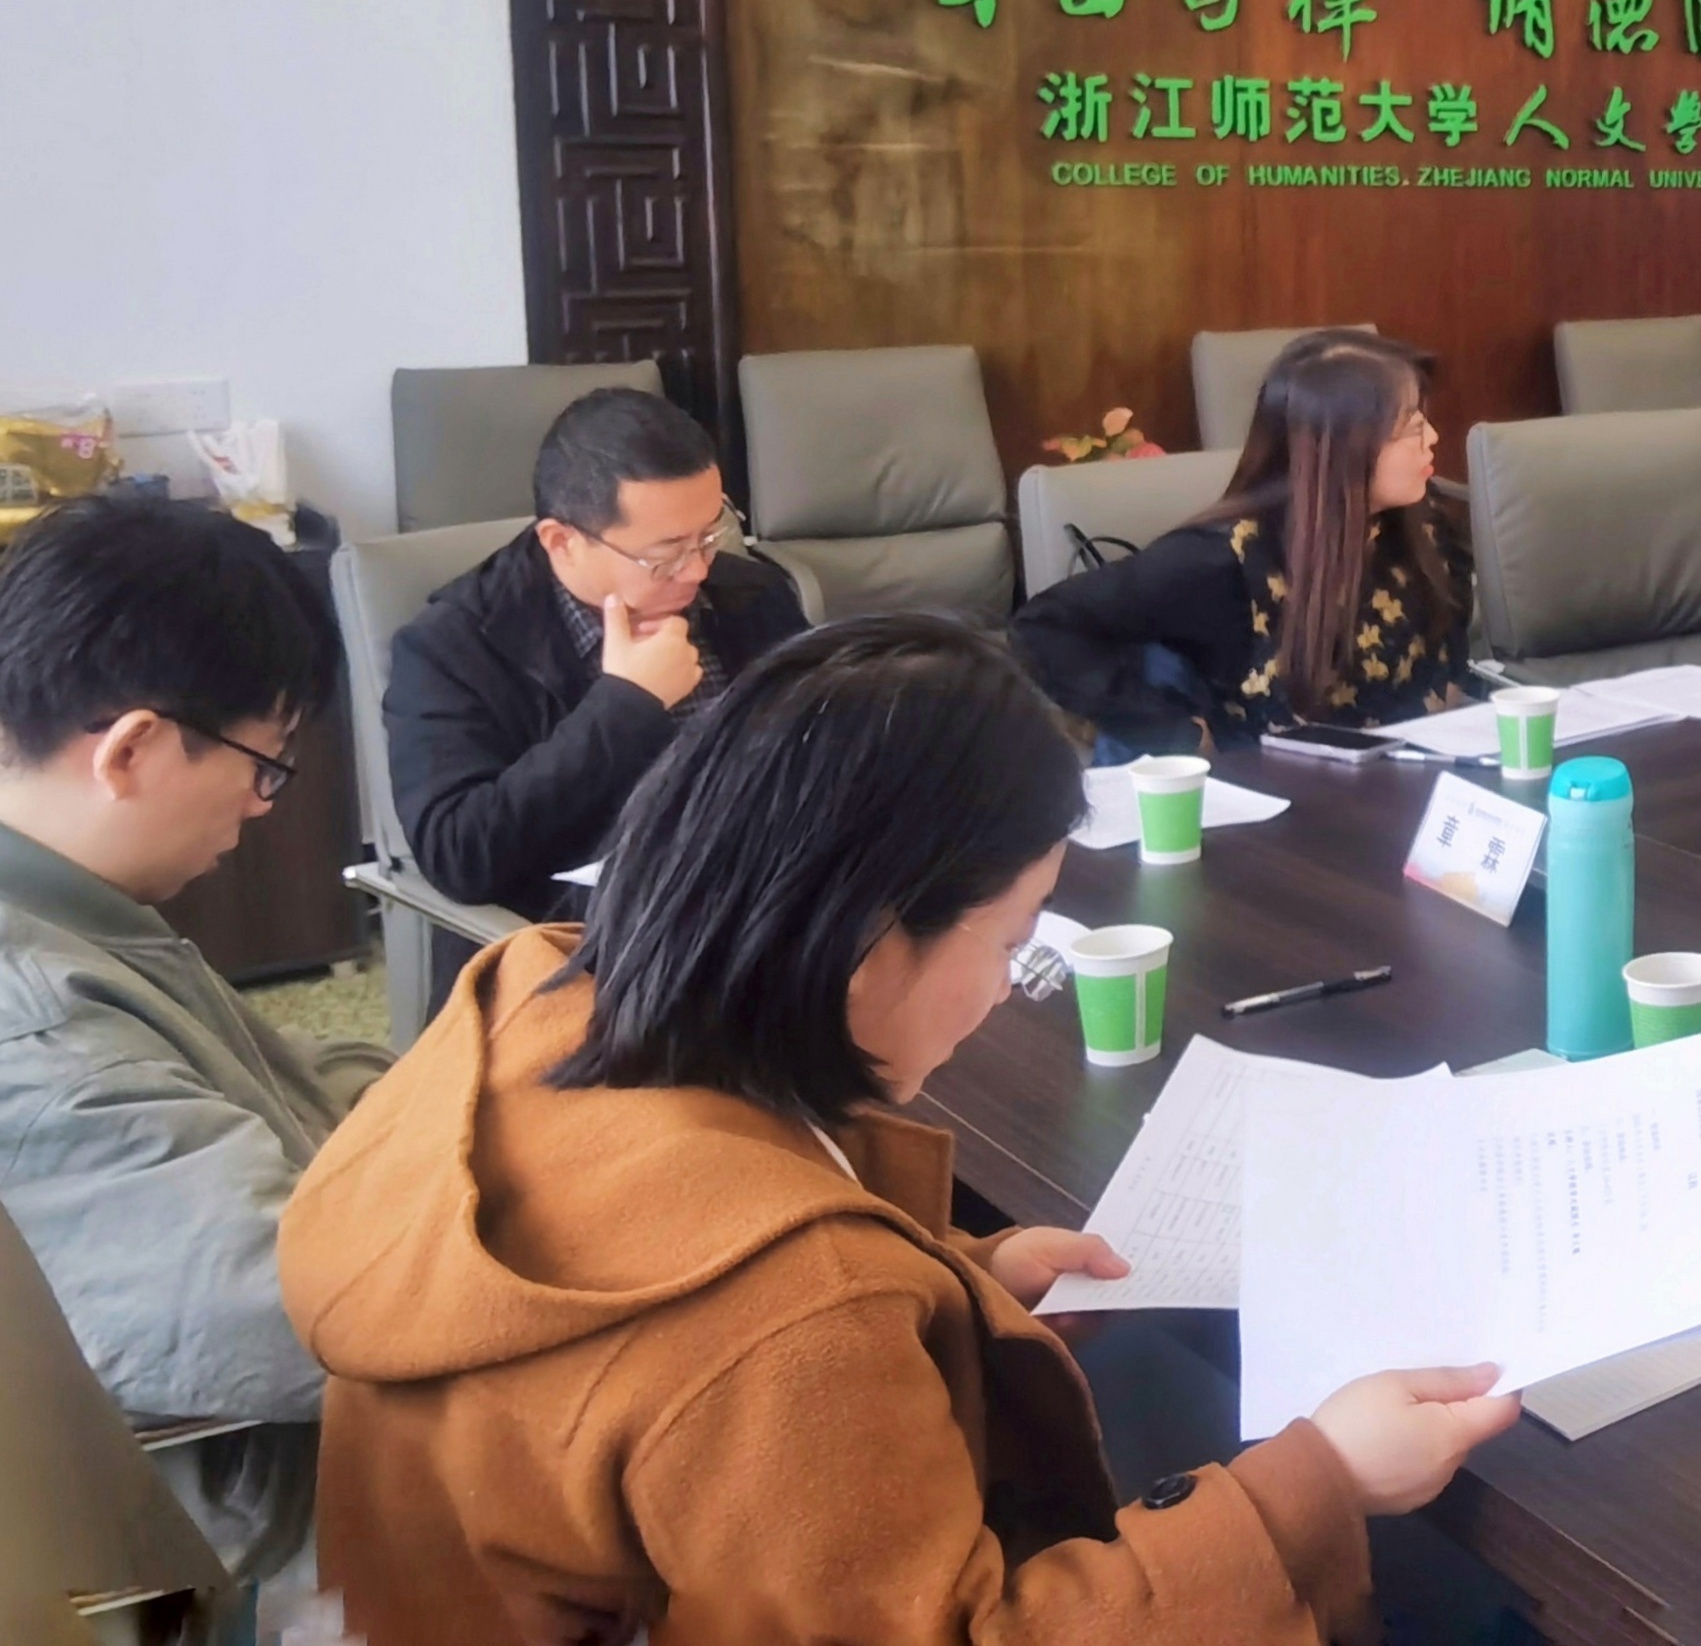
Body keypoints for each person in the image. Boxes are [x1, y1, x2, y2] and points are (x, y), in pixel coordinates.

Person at [281, 616, 1520, 1640]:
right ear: (869, 946)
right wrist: (1322, 1481)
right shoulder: (790, 1319)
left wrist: (955, 1282)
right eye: (1010, 935)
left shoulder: (533, 996)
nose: (1009, 983)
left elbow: (649, 1348)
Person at [0, 494, 383, 1586]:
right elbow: (290, 1309)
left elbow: (274, 1081)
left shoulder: (75, 912)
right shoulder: (38, 1016)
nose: (263, 805)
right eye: (266, 763)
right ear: (131, 748)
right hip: (234, 1545)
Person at [386, 387, 808, 916]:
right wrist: (626, 706)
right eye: (666, 553)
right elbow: (459, 854)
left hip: (766, 897)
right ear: (562, 542)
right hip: (595, 930)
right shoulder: (451, 648)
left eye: (708, 536)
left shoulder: (750, 595)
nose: (698, 570)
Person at [1016, 329, 1478, 757]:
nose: (1433, 438)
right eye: (1411, 427)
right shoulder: (1220, 561)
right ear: (1341, 447)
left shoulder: (1424, 524)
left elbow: (1450, 662)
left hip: (1404, 774)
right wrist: (1172, 732)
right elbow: (1043, 627)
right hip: (1271, 795)